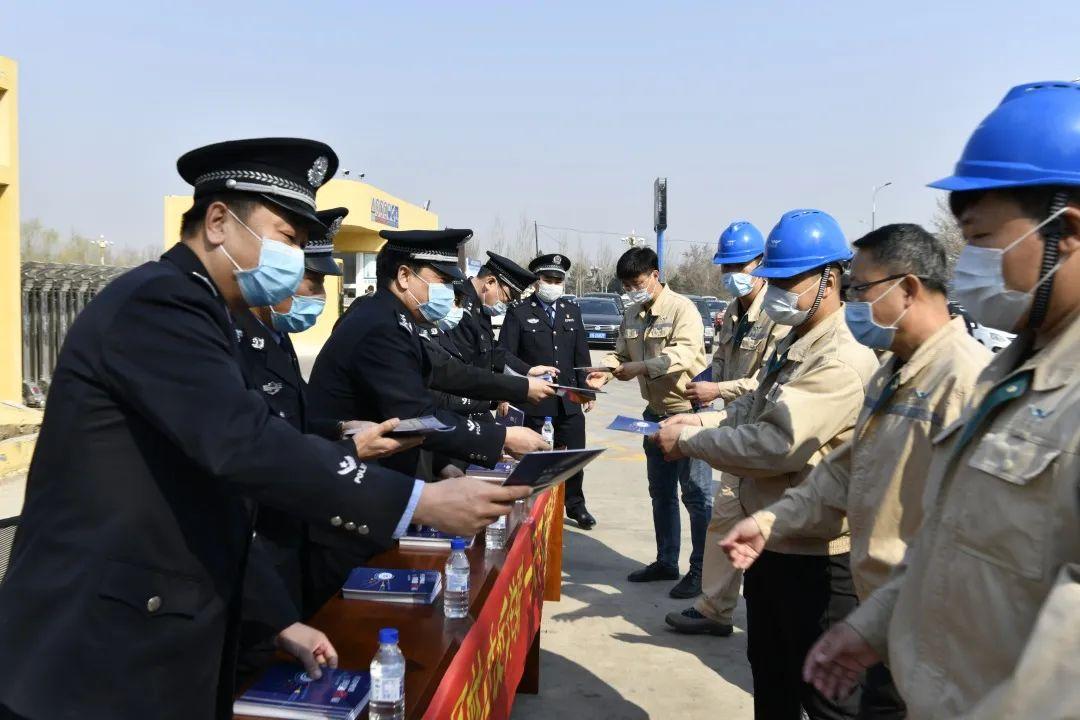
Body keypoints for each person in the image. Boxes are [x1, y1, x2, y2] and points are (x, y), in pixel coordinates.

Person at [0, 138, 528, 720]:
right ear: (220, 222)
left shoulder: (214, 315)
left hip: (165, 634)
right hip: (95, 655)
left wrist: (274, 618)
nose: (298, 261)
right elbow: (245, 448)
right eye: (287, 238)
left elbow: (220, 501)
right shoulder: (159, 304)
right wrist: (418, 500)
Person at [804, 80, 1080, 720]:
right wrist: (871, 629)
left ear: (1065, 230)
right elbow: (949, 549)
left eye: (982, 241)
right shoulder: (1009, 376)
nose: (965, 270)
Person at [720, 223, 991, 718]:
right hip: (879, 606)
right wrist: (768, 522)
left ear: (907, 289)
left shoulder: (964, 379)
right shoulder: (894, 370)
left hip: (920, 617)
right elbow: (845, 470)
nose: (852, 301)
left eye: (860, 289)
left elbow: (968, 533)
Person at [653, 209, 879, 719]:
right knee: (771, 680)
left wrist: (690, 444)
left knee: (824, 701)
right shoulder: (794, 340)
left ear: (829, 278)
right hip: (770, 545)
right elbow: (749, 411)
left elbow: (778, 444)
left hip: (818, 559)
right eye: (772, 278)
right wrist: (699, 424)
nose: (777, 289)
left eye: (788, 279)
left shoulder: (841, 357)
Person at [303, 229, 550, 613]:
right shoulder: (379, 325)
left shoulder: (394, 318)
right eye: (440, 281)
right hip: (352, 492)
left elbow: (449, 372)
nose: (449, 294)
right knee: (350, 613)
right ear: (405, 276)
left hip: (380, 483)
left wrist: (519, 387)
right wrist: (499, 437)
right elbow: (419, 417)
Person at [666, 220, 789, 636]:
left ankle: (761, 617)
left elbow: (767, 382)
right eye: (726, 267)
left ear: (761, 264)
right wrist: (701, 382)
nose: (731, 275)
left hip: (763, 426)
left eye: (739, 265)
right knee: (724, 516)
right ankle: (715, 608)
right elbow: (720, 363)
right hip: (732, 425)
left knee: (765, 527)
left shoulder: (777, 315)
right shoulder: (733, 313)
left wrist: (718, 388)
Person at [587, 246, 712, 599]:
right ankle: (666, 561)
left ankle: (701, 570)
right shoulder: (632, 314)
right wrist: (606, 372)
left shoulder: (682, 309)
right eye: (626, 285)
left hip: (688, 413)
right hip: (653, 416)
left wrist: (640, 368)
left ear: (655, 276)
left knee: (697, 496)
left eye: (636, 283)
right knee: (661, 493)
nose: (631, 290)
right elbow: (620, 353)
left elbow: (684, 355)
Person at [499, 253, 597, 529]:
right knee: (535, 457)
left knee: (574, 454)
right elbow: (504, 354)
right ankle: (532, 504)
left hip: (568, 401)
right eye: (548, 278)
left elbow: (581, 354)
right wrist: (507, 392)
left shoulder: (571, 311)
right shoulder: (519, 312)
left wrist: (586, 390)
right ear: (537, 281)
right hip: (534, 400)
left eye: (558, 279)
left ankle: (575, 504)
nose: (553, 283)